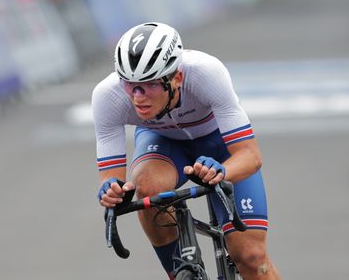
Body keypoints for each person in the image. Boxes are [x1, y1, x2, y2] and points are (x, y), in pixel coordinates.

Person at [92, 22, 281, 279]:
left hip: (220, 147)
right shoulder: (108, 96)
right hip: (164, 144)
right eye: (130, 84)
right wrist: (111, 190)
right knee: (145, 187)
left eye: (150, 84)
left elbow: (250, 156)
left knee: (251, 257)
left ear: (177, 78)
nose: (138, 96)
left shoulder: (206, 73)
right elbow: (111, 179)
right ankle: (180, 273)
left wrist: (222, 171)